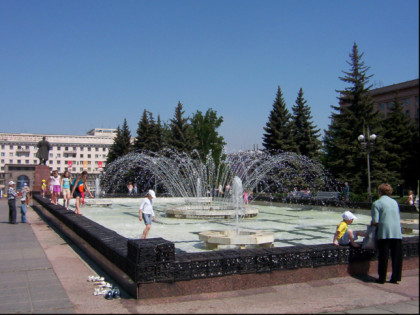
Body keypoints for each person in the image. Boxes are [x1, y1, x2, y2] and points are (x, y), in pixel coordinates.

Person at [371, 183, 403, 284]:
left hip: (384, 232)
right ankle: (395, 277)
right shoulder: (395, 202)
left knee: (383, 256)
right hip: (397, 232)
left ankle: (382, 278)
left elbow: (375, 221)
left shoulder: (377, 203)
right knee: (397, 256)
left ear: (379, 192)